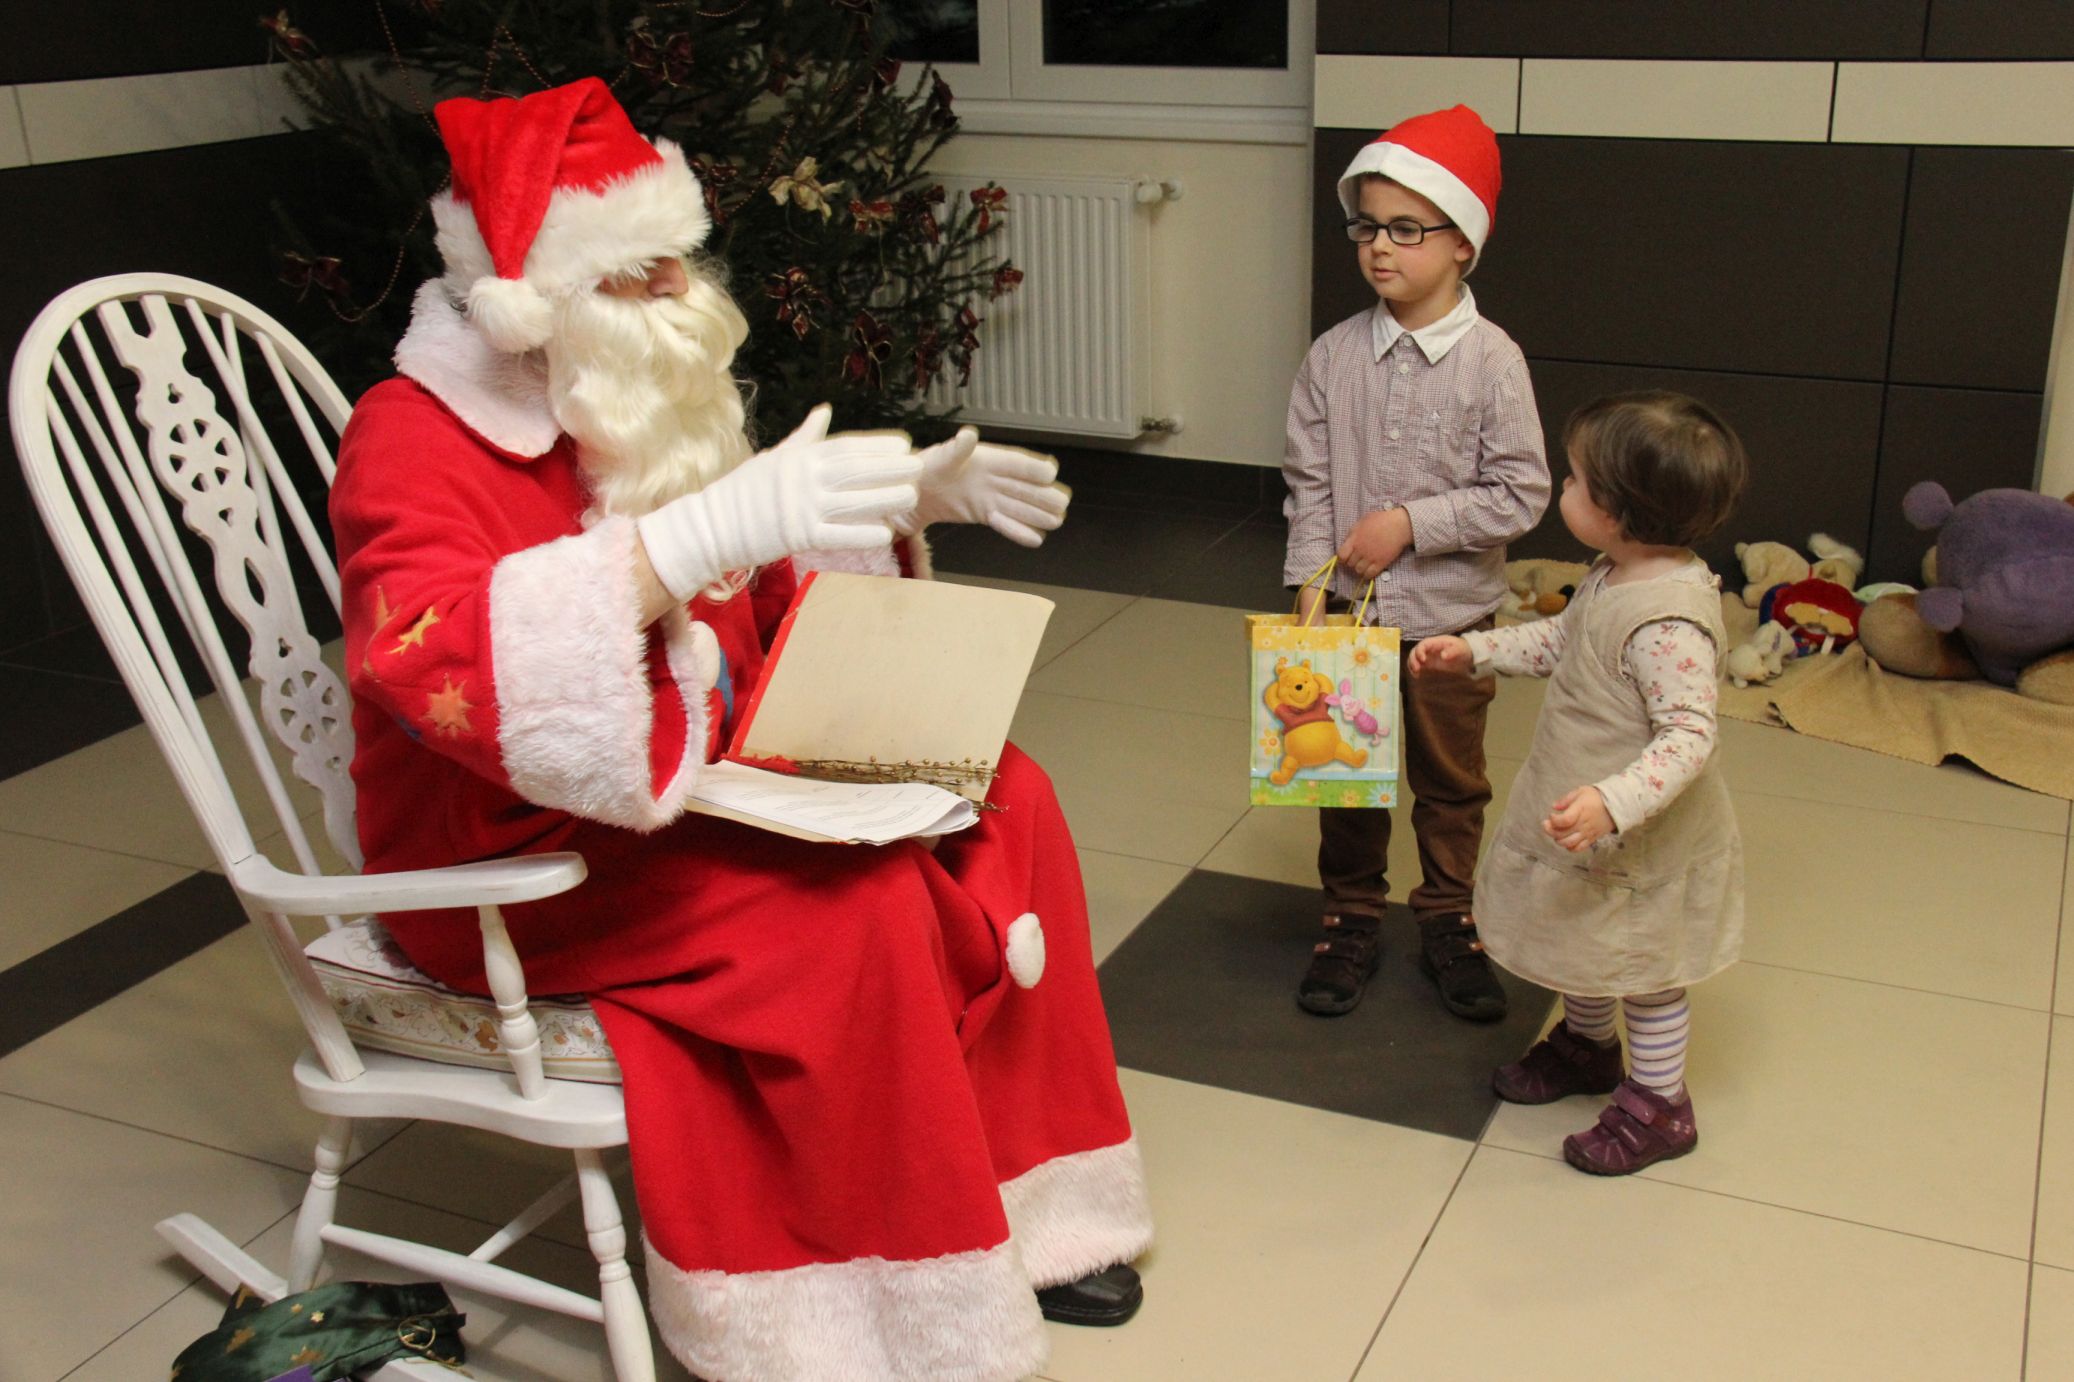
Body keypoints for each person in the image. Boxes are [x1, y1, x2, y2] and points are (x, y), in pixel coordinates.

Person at [328, 77, 1152, 1380]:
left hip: (699, 778)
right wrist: (693, 536)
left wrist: (894, 505)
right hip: (513, 853)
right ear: (529, 299)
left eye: (678, 261)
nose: (677, 294)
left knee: (1010, 790)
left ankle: (1028, 1200)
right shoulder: (413, 434)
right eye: (635, 273)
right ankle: (876, 1299)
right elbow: (424, 653)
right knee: (856, 911)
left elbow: (752, 597)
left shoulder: (632, 390)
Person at [1408, 391, 1748, 1175]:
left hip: (1633, 835)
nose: (1562, 488)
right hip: (1579, 813)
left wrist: (1612, 802)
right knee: (1578, 938)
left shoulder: (1667, 621)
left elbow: (1689, 736)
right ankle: (1588, 1047)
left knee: (1642, 969)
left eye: (1574, 481)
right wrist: (1476, 653)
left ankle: (1661, 1105)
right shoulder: (1613, 574)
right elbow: (1565, 641)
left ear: (1620, 513)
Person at [1281, 104, 1550, 1022]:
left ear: (1462, 243)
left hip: (1452, 621)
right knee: (1344, 776)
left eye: (1407, 229)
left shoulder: (1494, 363)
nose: (1380, 248)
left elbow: (1520, 493)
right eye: (1367, 228)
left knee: (1450, 783)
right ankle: (1351, 914)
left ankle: (1447, 916)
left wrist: (1409, 523)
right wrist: (1310, 586)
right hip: (1348, 621)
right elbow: (1309, 482)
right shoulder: (1331, 357)